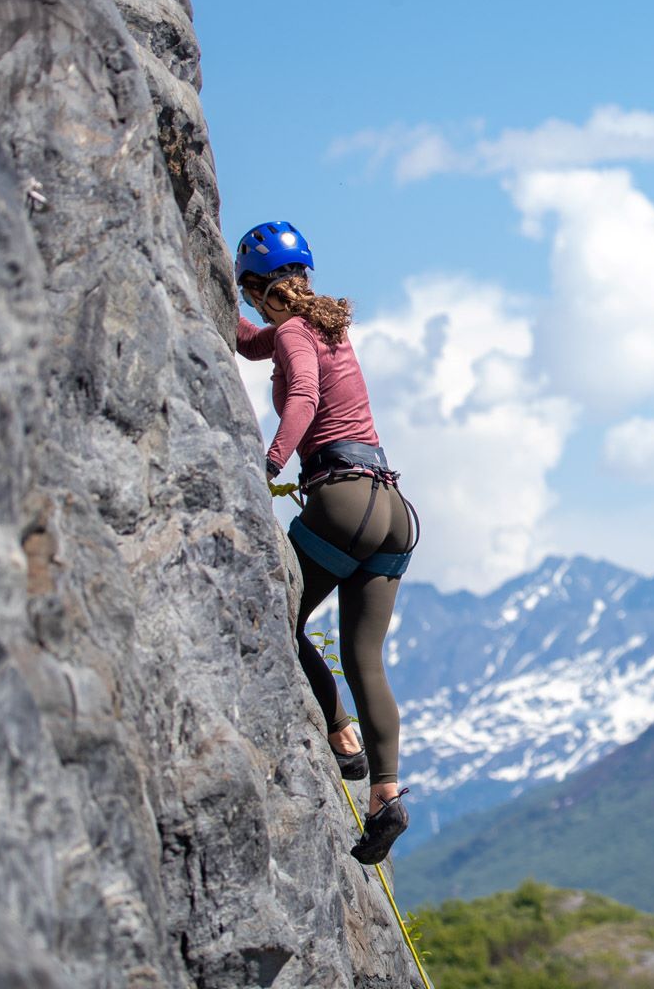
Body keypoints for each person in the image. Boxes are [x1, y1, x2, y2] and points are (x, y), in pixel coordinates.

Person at [233, 219, 417, 864]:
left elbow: (301, 394)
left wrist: (271, 461)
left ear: (257, 288)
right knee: (366, 659)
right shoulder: (325, 326)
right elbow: (256, 345)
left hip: (340, 498)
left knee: (277, 620)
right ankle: (386, 797)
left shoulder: (290, 330)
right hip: (392, 508)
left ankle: (341, 736)